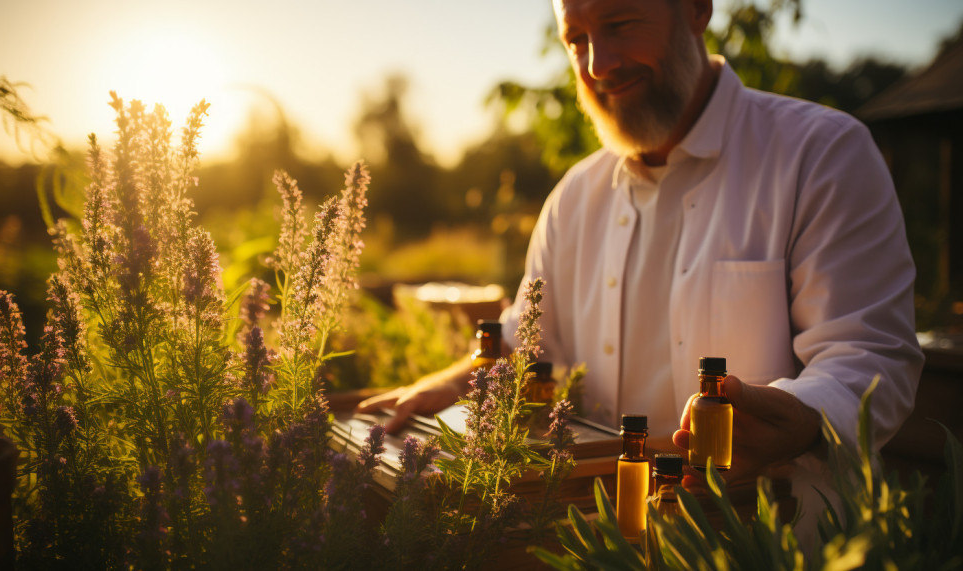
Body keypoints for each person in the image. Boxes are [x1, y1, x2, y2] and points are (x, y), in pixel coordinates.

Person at [357, 0, 923, 525]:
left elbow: (869, 354)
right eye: (577, 39)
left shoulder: (821, 153)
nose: (597, 65)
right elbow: (529, 342)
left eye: (620, 23)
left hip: (774, 540)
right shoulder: (573, 196)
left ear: (696, 9)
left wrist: (801, 417)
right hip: (598, 540)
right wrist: (450, 382)